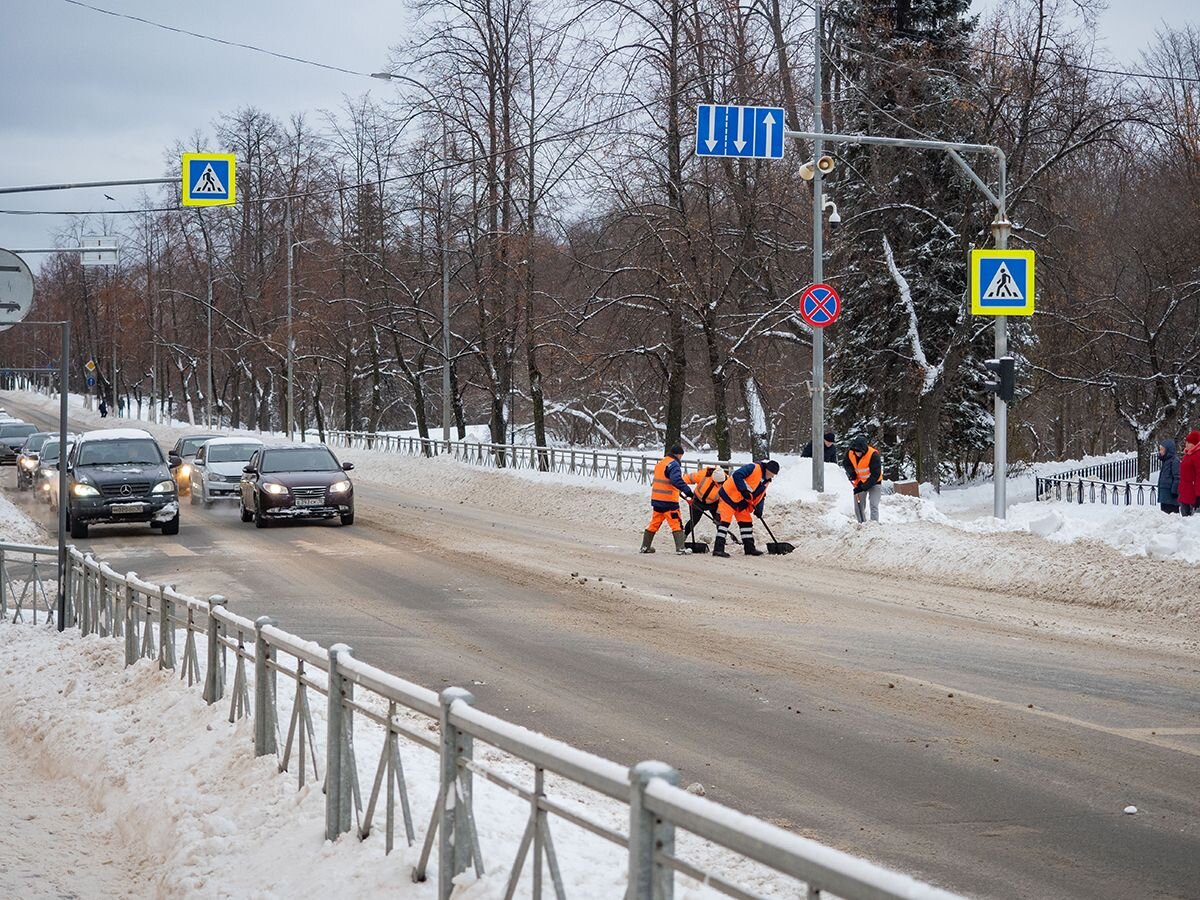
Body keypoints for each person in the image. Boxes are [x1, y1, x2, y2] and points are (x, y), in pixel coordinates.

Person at [713, 459, 779, 558]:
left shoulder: (766, 481)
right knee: (724, 522)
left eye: (774, 474)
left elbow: (761, 496)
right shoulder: (753, 468)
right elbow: (737, 475)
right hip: (729, 496)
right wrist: (743, 490)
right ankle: (718, 549)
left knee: (746, 523)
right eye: (772, 473)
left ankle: (749, 548)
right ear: (767, 469)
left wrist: (759, 509)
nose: (772, 476)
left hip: (742, 503)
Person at [640, 445, 695, 554]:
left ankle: (645, 547)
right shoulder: (674, 465)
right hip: (669, 501)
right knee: (676, 523)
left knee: (654, 523)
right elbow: (676, 480)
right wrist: (688, 491)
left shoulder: (661, 463)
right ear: (679, 454)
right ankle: (680, 548)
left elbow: (664, 481)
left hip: (657, 499)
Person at [681, 464, 727, 543]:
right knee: (694, 520)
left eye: (721, 483)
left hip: (714, 503)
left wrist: (718, 514)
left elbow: (723, 501)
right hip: (698, 501)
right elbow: (687, 478)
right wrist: (680, 486)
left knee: (720, 521)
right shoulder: (704, 474)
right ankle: (683, 536)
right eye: (718, 483)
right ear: (713, 479)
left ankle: (721, 540)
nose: (719, 485)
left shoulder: (726, 483)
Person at [844, 436, 881, 523]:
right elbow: (846, 464)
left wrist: (863, 487)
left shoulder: (873, 455)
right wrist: (851, 473)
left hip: (875, 482)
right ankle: (862, 524)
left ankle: (874, 525)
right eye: (856, 452)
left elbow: (875, 475)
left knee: (874, 505)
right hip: (859, 482)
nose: (858, 454)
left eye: (860, 452)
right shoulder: (850, 453)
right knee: (858, 506)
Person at [1179, 430, 1200, 517]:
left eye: (1189, 442)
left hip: (1192, 493)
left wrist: (1198, 495)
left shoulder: (1197, 455)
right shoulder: (1188, 454)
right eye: (1186, 442)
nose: (1186, 444)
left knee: (1191, 520)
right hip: (1185, 491)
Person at [1157, 439, 1181, 514]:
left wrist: (1174, 491)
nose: (1160, 451)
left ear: (1168, 450)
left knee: (1171, 516)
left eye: (1162, 449)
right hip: (1165, 495)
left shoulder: (1174, 461)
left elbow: (1177, 477)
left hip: (1170, 495)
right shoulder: (1165, 461)